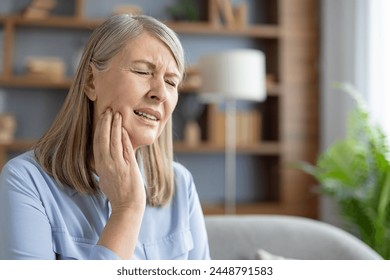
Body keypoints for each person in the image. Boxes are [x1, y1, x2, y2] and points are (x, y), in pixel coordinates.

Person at [0, 14, 210, 260]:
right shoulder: (25, 182)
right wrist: (127, 211)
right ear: (91, 81)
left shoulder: (180, 184)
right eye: (142, 71)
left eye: (171, 82)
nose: (161, 93)